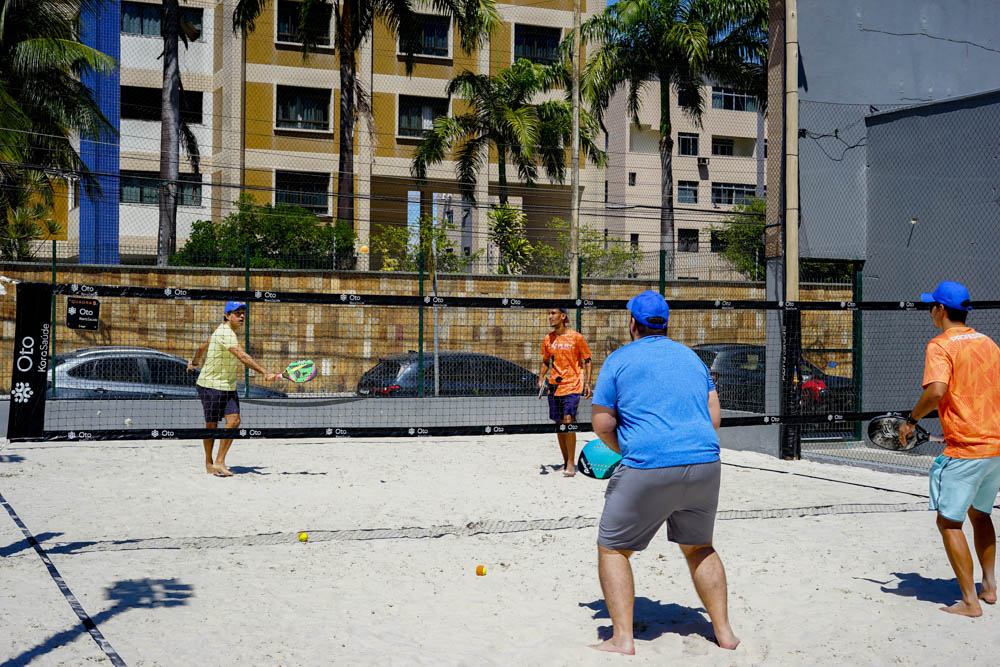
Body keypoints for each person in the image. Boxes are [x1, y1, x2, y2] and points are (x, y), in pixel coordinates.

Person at [589, 290, 737, 654]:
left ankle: (622, 639)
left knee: (613, 549)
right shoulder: (692, 359)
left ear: (632, 323)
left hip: (648, 466)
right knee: (700, 547)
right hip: (705, 463)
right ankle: (725, 634)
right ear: (666, 323)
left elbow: (603, 423)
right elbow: (714, 418)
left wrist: (628, 451)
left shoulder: (619, 360)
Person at [898, 280, 1000, 617]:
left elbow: (937, 389)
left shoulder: (940, 345)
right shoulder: (988, 343)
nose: (930, 311)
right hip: (995, 446)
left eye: (932, 306)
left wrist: (912, 418)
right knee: (980, 514)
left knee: (949, 523)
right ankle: (988, 586)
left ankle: (969, 602)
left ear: (940, 310)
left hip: (966, 448)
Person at [188, 301, 282, 476]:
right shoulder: (226, 333)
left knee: (234, 421)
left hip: (227, 386)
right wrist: (265, 372)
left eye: (243, 313)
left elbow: (202, 346)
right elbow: (242, 356)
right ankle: (209, 463)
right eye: (237, 313)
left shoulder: (223, 331)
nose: (242, 316)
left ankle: (220, 461)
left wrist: (193, 363)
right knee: (212, 426)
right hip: (210, 385)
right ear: (227, 315)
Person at [538, 306, 592, 476]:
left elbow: (588, 360)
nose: (549, 316)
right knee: (559, 424)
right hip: (554, 386)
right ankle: (564, 460)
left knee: (568, 421)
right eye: (549, 313)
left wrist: (588, 383)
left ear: (563, 316)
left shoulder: (576, 337)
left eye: (553, 313)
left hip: (573, 384)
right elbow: (546, 361)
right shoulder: (548, 339)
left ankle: (571, 464)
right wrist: (540, 378)